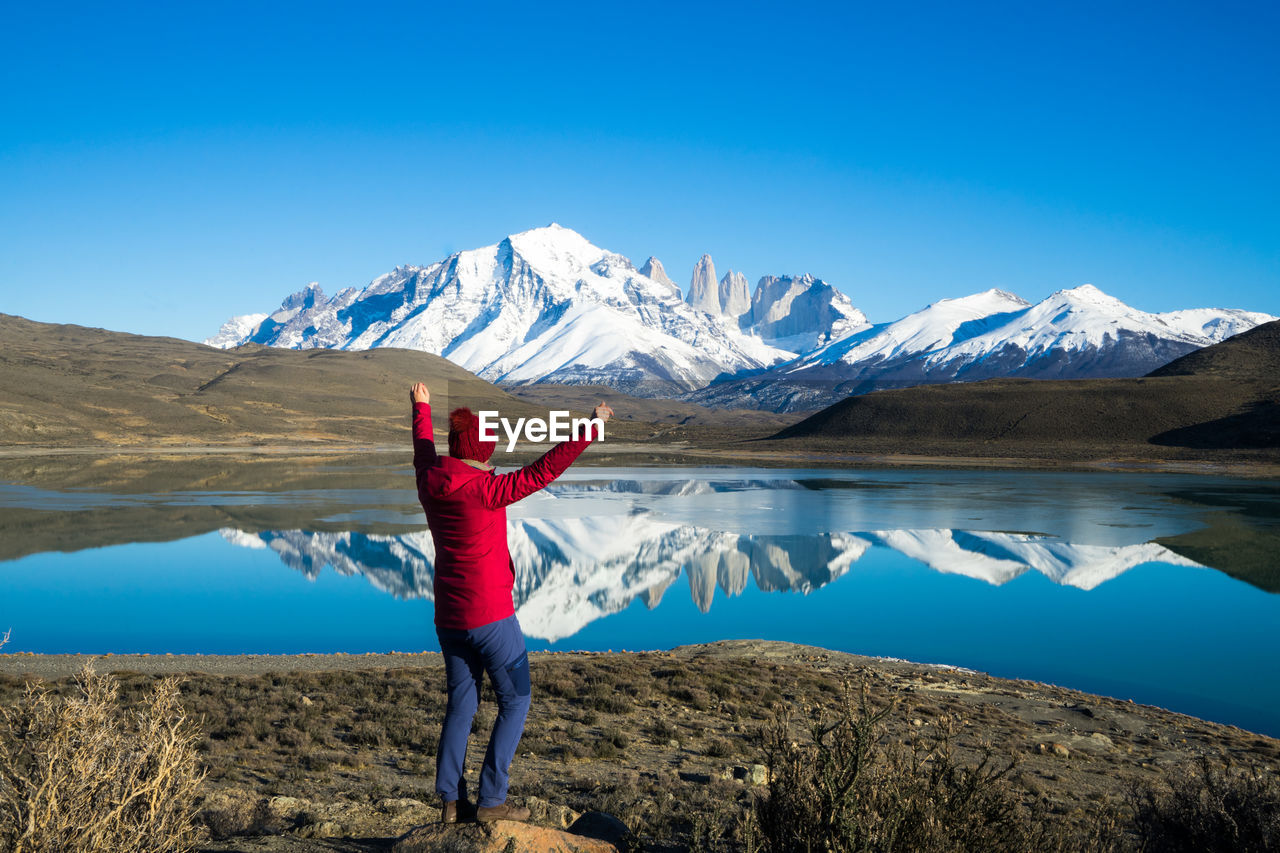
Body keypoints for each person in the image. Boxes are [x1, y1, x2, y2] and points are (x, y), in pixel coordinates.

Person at [409, 382, 612, 824]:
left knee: (462, 704)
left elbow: (423, 449)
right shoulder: (487, 489)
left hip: (449, 617)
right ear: (480, 450)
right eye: (489, 448)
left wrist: (420, 408)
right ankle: (492, 801)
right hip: (492, 617)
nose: (492, 454)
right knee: (516, 700)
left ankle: (450, 800)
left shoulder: (430, 480)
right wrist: (590, 428)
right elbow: (544, 470)